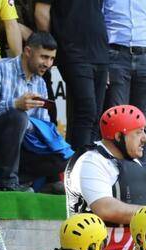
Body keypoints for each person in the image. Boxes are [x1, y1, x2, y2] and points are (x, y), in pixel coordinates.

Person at [64, 105, 146, 250]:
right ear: (119, 137)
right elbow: (105, 208)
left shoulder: (132, 161)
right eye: (138, 132)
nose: (145, 139)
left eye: (144, 131)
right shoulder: (91, 161)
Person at [0, 32, 62, 191]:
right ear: (28, 51)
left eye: (51, 59)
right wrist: (15, 104)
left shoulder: (40, 82)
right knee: (18, 117)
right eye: (43, 57)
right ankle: (8, 183)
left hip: (24, 144)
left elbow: (42, 124)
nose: (47, 64)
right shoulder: (1, 68)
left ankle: (25, 182)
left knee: (64, 154)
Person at [34, 0, 109, 151]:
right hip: (72, 51)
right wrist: (52, 50)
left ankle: (87, 163)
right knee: (86, 111)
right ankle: (77, 167)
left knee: (96, 116)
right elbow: (41, 12)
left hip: (100, 51)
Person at [102, 0, 146, 147]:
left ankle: (139, 168)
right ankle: (115, 167)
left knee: (144, 120)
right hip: (115, 54)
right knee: (116, 117)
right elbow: (100, 20)